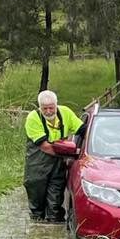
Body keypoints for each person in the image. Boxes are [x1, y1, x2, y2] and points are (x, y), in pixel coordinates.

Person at [24, 90, 82, 222]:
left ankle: (54, 222)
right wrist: (72, 153)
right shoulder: (33, 118)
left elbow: (81, 129)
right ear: (39, 107)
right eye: (45, 109)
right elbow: (44, 146)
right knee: (37, 200)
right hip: (37, 163)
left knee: (55, 201)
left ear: (56, 105)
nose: (49, 111)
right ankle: (37, 223)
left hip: (58, 163)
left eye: (51, 108)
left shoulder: (66, 112)